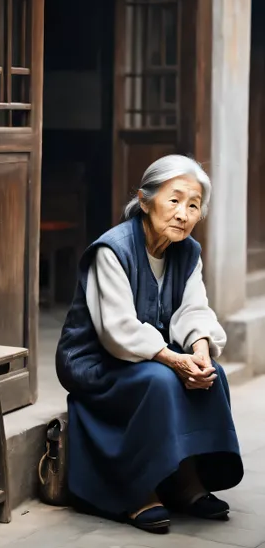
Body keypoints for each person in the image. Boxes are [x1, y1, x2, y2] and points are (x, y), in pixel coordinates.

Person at [55, 155, 243, 534]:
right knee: (161, 380)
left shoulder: (187, 251)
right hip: (97, 363)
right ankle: (135, 491)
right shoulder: (112, 250)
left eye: (193, 205)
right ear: (144, 200)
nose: (183, 214)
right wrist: (174, 359)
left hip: (144, 356)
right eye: (173, 200)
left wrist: (200, 351)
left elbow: (195, 309)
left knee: (211, 373)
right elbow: (117, 330)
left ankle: (186, 480)